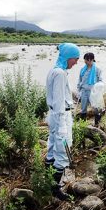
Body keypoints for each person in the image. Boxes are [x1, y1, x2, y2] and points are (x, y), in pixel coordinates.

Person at [45, 43, 80, 200]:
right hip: (60, 117)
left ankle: (47, 181)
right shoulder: (60, 74)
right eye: (75, 59)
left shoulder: (55, 70)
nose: (76, 62)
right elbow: (59, 101)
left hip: (54, 115)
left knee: (52, 148)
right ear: (68, 57)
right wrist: (62, 126)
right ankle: (55, 189)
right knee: (62, 153)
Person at [77, 52, 103, 124]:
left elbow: (100, 81)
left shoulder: (97, 70)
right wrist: (79, 91)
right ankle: (83, 125)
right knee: (83, 109)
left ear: (92, 60)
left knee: (96, 108)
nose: (86, 62)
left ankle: (97, 125)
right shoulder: (83, 69)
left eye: (87, 60)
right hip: (84, 91)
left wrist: (97, 89)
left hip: (93, 92)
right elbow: (79, 80)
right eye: (85, 60)